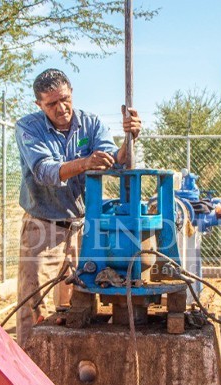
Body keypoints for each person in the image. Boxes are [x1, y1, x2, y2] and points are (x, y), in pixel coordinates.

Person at [14, 68, 141, 346]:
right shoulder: (28, 128)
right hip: (43, 229)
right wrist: (85, 163)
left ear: (71, 93)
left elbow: (116, 161)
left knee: (78, 305)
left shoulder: (91, 124)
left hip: (82, 231)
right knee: (35, 305)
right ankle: (28, 369)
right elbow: (45, 171)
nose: (61, 108)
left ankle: (68, 371)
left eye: (65, 99)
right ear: (39, 105)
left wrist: (129, 140)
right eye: (51, 104)